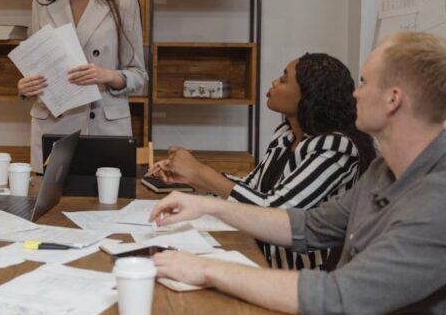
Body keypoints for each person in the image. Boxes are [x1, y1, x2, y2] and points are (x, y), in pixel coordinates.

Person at [149, 32, 446, 315]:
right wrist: (211, 207)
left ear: (393, 100)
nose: (354, 93)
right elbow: (308, 226)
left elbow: (342, 297)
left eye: (365, 82)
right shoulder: (385, 170)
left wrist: (207, 269)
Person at [147, 53, 376, 269]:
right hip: (259, 254)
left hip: (299, 275)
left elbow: (276, 212)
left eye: (284, 80)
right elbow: (251, 188)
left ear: (308, 95)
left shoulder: (336, 147)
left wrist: (201, 173)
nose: (274, 82)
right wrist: (193, 178)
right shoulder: (286, 135)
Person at [17, 0, 147, 172]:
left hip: (102, 125)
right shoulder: (41, 3)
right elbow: (36, 65)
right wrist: (25, 86)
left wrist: (105, 74)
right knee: (49, 208)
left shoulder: (124, 2)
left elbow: (139, 76)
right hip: (53, 125)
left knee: (104, 208)